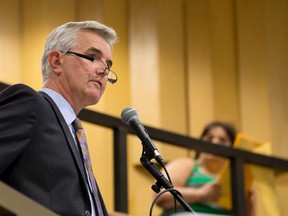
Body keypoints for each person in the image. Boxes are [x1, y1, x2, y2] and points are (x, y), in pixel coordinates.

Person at [0, 20, 118, 216]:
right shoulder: (31, 104)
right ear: (56, 61)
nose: (104, 70)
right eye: (92, 56)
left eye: (108, 64)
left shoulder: (74, 133)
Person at [156, 121, 242, 216]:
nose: (215, 142)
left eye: (222, 140)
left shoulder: (237, 176)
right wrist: (201, 194)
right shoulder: (186, 164)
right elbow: (161, 195)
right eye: (209, 138)